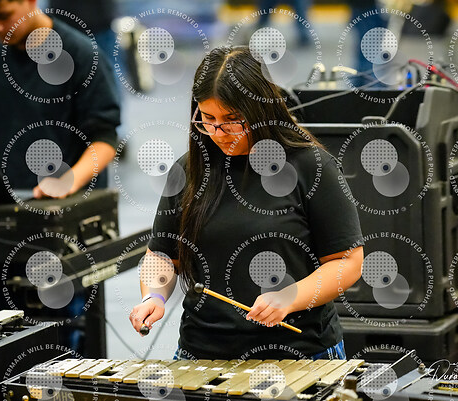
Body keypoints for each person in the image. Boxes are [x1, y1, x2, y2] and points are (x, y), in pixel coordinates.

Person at [130, 46, 364, 360]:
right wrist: (154, 296)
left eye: (232, 120)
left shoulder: (310, 166)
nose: (219, 132)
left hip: (298, 352)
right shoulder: (189, 170)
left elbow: (347, 263)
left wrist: (291, 297)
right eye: (208, 119)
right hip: (203, 351)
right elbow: (162, 254)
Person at [0, 0, 119, 198]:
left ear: (31, 1)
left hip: (68, 203)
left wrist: (70, 181)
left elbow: (105, 138)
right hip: (5, 202)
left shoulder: (82, 56)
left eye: (4, 16)